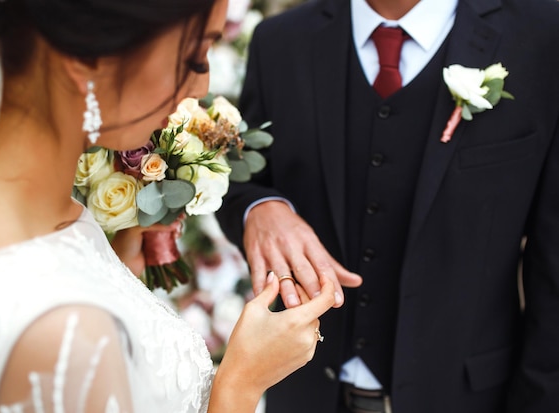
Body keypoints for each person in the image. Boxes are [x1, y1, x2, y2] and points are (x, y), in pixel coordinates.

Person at [0, 0, 338, 412]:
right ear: (89, 56)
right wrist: (240, 384)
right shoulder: (62, 337)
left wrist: (118, 275)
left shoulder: (42, 218)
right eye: (194, 57)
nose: (200, 91)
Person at [215, 0, 559, 411]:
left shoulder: (545, 36)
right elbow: (238, 179)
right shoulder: (281, 40)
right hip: (304, 395)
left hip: (469, 398)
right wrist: (261, 207)